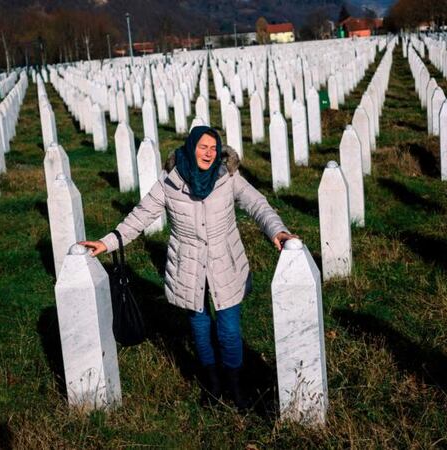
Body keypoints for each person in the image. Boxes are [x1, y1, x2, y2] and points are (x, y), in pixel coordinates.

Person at [79, 126, 296, 408]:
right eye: (202, 147)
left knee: (229, 330)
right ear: (191, 147)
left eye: (213, 148)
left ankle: (235, 385)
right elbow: (141, 216)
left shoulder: (228, 176)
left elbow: (258, 205)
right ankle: (213, 384)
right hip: (188, 268)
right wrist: (107, 243)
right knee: (201, 328)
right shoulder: (170, 182)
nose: (209, 153)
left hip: (224, 264)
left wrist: (277, 231)